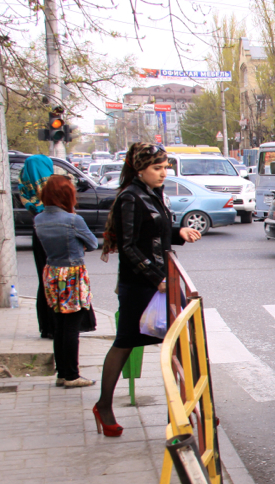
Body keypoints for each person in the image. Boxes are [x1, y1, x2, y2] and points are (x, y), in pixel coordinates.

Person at [92, 143, 202, 437]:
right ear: (139, 169)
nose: (163, 173)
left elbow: (156, 232)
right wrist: (157, 278)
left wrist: (178, 233)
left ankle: (181, 413)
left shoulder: (154, 192)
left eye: (166, 167)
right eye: (157, 168)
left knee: (179, 346)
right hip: (141, 286)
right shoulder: (130, 196)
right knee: (125, 343)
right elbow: (128, 246)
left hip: (162, 281)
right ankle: (104, 406)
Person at [34, 176, 98, 388]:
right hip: (72, 274)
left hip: (51, 273)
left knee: (59, 325)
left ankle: (62, 373)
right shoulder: (73, 220)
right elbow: (92, 243)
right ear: (67, 195)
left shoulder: (39, 219)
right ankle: (72, 375)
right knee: (72, 326)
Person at [18, 154, 57, 339]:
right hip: (53, 236)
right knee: (55, 280)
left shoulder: (26, 189)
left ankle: (47, 326)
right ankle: (56, 325)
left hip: (38, 233)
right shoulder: (52, 192)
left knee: (44, 280)